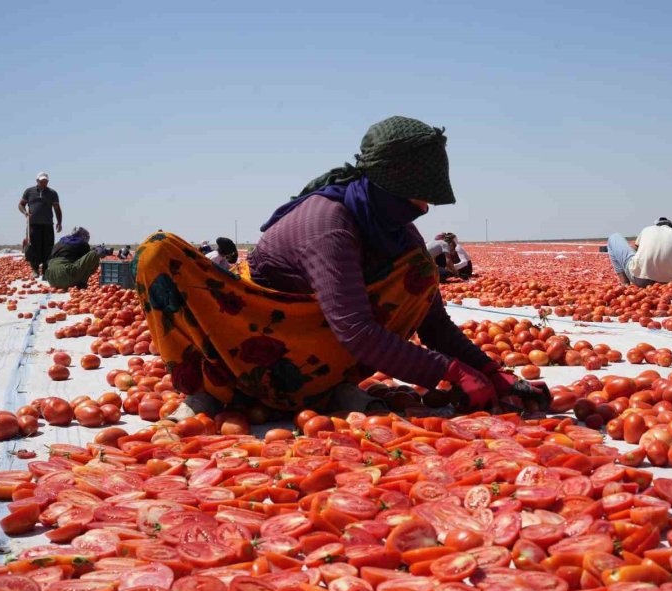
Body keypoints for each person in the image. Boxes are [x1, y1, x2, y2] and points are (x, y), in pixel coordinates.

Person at [133, 116, 549, 420]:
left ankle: (327, 389)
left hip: (316, 344)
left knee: (420, 270)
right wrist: (449, 372)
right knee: (156, 251)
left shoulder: (394, 230)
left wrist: (490, 371)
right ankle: (213, 389)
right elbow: (357, 331)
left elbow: (433, 322)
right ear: (389, 187)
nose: (424, 209)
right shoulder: (328, 225)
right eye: (419, 197)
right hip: (249, 338)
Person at [607, 217, 672, 287]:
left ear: (656, 226)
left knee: (614, 237)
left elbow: (635, 251)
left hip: (640, 279)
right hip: (667, 281)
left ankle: (625, 285)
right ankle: (666, 276)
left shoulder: (647, 230)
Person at [18, 172, 62, 278]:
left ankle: (46, 271)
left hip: (48, 224)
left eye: (45, 181)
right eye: (42, 181)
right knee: (33, 247)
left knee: (48, 248)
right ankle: (35, 270)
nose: (44, 183)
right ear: (37, 181)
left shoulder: (52, 193)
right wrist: (25, 213)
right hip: (33, 224)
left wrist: (59, 222)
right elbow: (21, 205)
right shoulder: (29, 192)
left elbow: (57, 208)